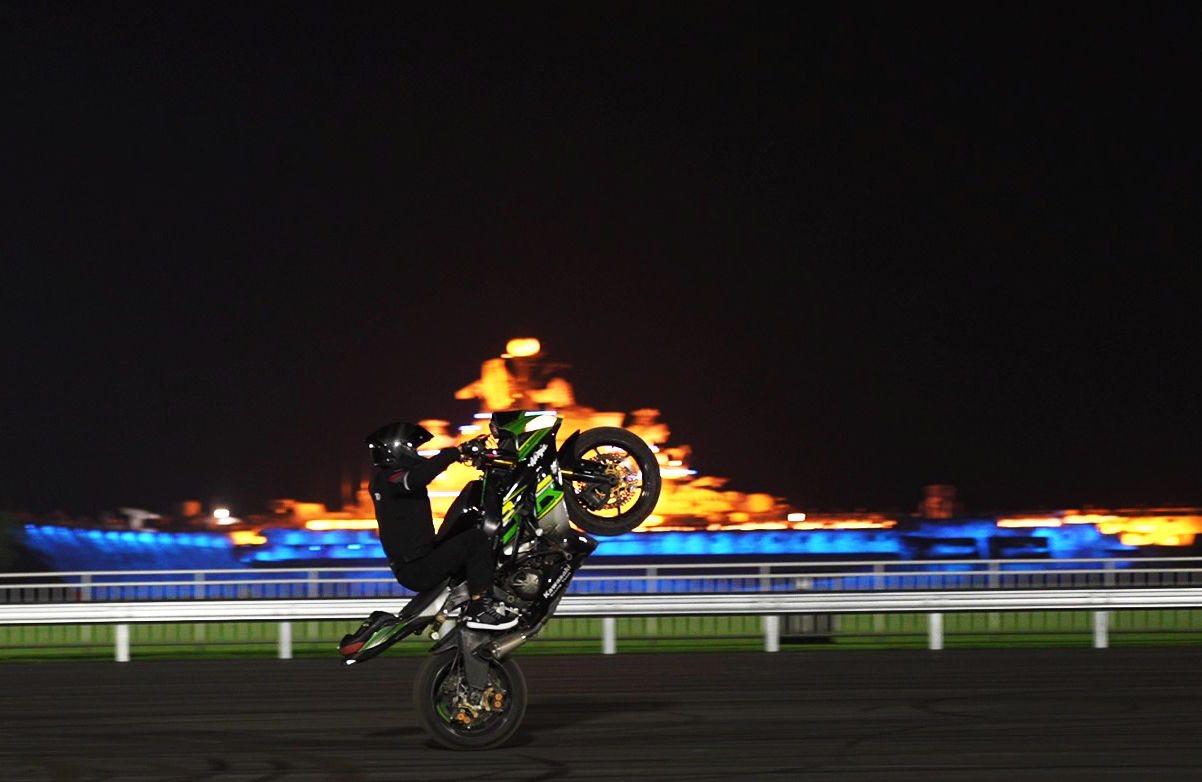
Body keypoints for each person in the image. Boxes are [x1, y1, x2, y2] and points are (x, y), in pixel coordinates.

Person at [339, 421, 516, 657]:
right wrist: (454, 453)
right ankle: (479, 608)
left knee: (466, 528)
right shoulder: (389, 479)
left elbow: (424, 469)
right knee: (475, 539)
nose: (416, 452)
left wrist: (466, 454)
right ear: (398, 448)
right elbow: (417, 476)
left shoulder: (391, 479)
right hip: (418, 567)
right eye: (412, 447)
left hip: (420, 559)